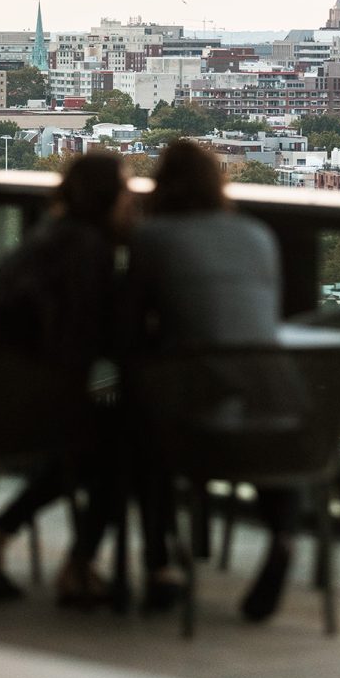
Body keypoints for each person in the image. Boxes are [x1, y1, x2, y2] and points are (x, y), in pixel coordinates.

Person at [0, 150, 131, 604]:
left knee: (99, 438)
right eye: (126, 191)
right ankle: (79, 564)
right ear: (109, 199)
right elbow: (76, 344)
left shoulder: (46, 239)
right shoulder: (88, 251)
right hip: (10, 405)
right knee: (119, 441)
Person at [127, 140, 297, 621]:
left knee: (144, 443)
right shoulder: (257, 235)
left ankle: (160, 563)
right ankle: (282, 534)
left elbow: (133, 323)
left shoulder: (153, 238)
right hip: (280, 407)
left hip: (195, 416)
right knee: (253, 422)